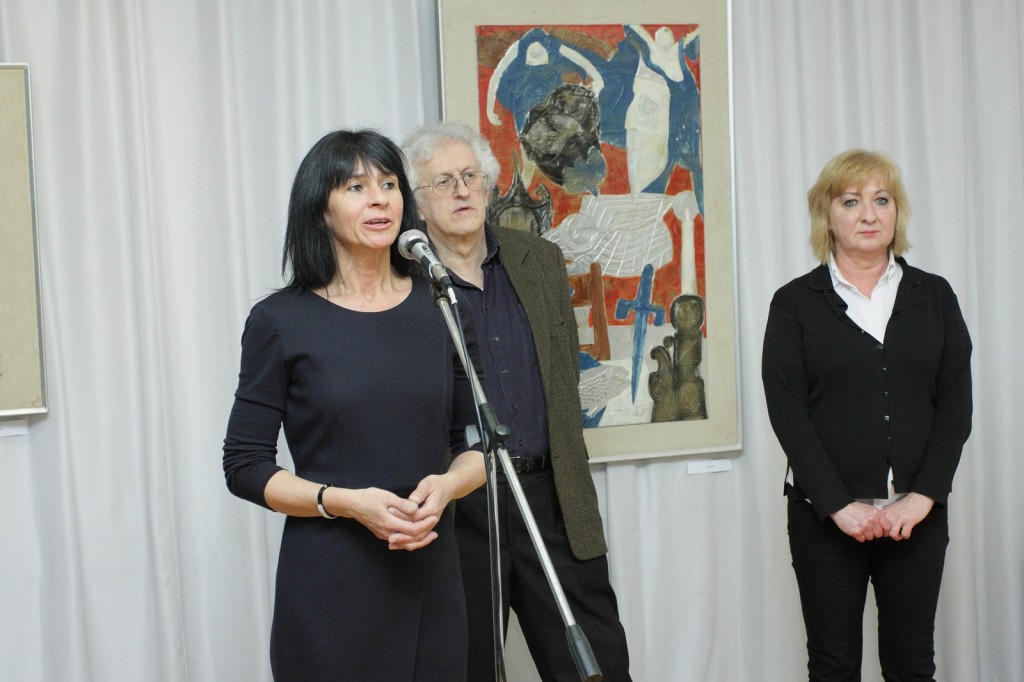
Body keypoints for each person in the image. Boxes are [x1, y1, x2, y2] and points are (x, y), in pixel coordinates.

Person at [222, 129, 486, 681]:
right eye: (356, 187)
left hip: (431, 571)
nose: (379, 200)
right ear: (320, 210)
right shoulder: (280, 322)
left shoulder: (441, 305)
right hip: (331, 581)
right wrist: (343, 502)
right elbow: (244, 465)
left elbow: (481, 441)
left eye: (389, 185)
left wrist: (448, 487)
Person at [402, 121, 632, 681]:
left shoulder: (540, 259)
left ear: (487, 185)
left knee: (594, 665)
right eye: (442, 182)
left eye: (470, 176)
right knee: (465, 667)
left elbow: (563, 377)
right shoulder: (401, 283)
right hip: (459, 510)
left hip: (551, 495)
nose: (461, 190)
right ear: (418, 205)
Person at [762, 149, 972, 681]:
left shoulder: (935, 296)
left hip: (916, 518)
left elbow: (955, 406)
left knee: (912, 665)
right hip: (825, 519)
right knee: (833, 667)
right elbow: (788, 413)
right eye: (851, 202)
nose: (869, 214)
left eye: (882, 200)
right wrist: (838, 505)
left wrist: (923, 497)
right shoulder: (794, 303)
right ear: (827, 215)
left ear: (897, 213)